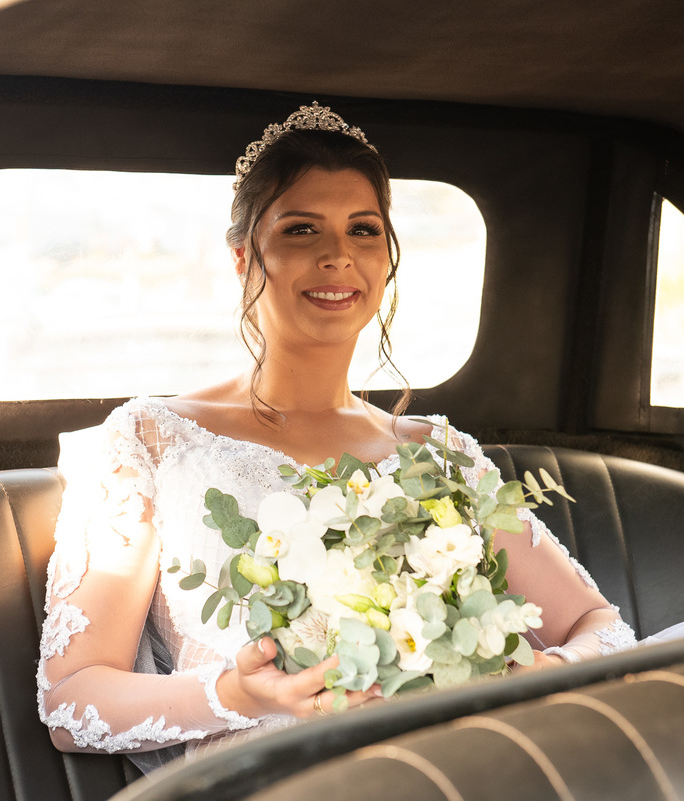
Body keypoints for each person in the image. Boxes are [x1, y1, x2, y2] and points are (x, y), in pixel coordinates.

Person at [36, 103, 637, 770]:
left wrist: (533, 675)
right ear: (243, 257)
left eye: (363, 230)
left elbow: (601, 630)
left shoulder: (438, 455)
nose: (338, 256)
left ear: (386, 258)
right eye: (300, 230)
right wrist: (238, 693)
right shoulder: (152, 440)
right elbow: (72, 699)